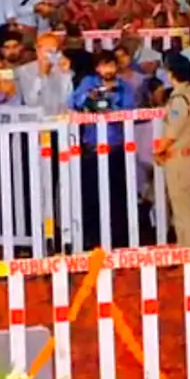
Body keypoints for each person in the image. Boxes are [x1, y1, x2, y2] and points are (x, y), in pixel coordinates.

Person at [70, 49, 138, 250]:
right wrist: (92, 100)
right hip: (92, 147)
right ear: (96, 67)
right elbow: (75, 102)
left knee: (117, 195)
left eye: (110, 65)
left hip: (116, 147)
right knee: (91, 195)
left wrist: (107, 106)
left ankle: (119, 239)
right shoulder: (88, 83)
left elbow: (128, 109)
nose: (107, 69)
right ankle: (93, 239)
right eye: (102, 65)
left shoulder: (124, 87)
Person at [155, 53, 190, 247]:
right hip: (189, 154)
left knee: (183, 210)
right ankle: (187, 251)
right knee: (186, 207)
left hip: (179, 157)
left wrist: (159, 150)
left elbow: (173, 130)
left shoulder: (179, 98)